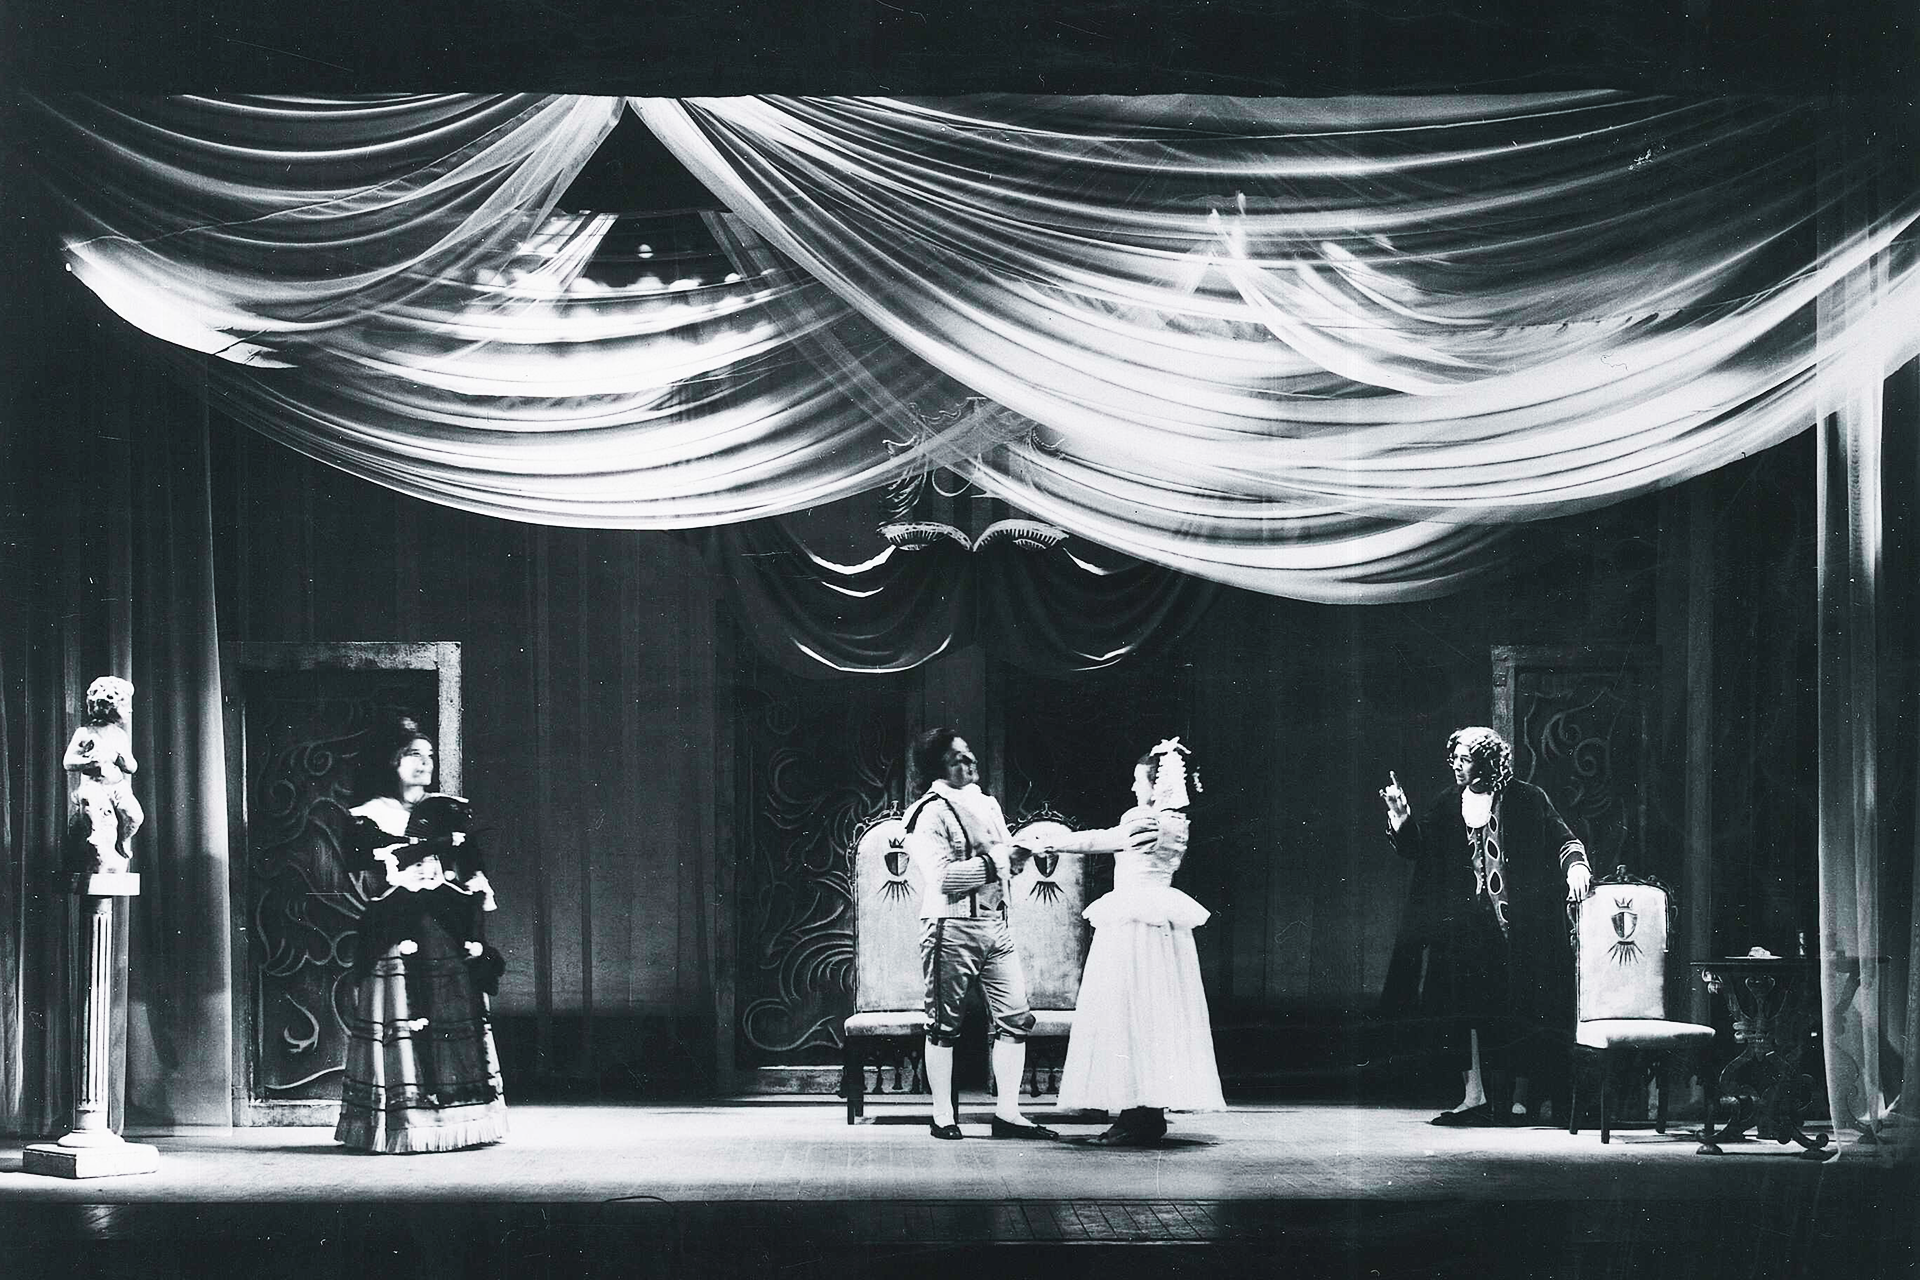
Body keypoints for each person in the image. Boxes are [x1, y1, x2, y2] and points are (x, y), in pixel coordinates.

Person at [1378, 726, 1592, 1126]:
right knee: (1463, 1009)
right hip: (1464, 930)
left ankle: (1521, 1099)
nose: (1456, 765)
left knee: (1521, 1008)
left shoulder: (1527, 799)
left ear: (1487, 761)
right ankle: (1473, 1096)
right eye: (1455, 758)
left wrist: (1576, 866)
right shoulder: (1447, 804)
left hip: (1518, 927)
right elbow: (1418, 851)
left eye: (1464, 758)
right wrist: (1401, 816)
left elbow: (1564, 839)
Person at [334, 716, 508, 1154]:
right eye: (413, 755)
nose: (424, 764)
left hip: (445, 936)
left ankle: (463, 1122)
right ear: (390, 761)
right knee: (401, 1021)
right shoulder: (368, 816)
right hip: (397, 936)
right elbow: (366, 876)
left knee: (453, 1018)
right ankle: (402, 1126)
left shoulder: (448, 811)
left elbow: (470, 876)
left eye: (429, 757)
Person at [1043, 738, 1224, 1145]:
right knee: (1154, 1014)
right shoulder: (1178, 824)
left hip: (1135, 925)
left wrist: (1052, 841)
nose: (1132, 788)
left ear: (1155, 784)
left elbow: (1101, 840)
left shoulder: (1146, 819)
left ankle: (1134, 1114)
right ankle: (1146, 1113)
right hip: (1159, 924)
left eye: (1137, 780)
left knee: (1128, 1013)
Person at [905, 726, 1055, 1140]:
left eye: (969, 754)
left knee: (1015, 1019)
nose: (969, 763)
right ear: (938, 767)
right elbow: (945, 880)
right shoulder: (926, 813)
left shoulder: (986, 804)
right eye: (957, 759)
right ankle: (942, 1116)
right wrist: (1002, 860)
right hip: (949, 927)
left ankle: (1007, 1113)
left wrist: (1021, 853)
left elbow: (1009, 863)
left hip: (995, 924)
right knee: (943, 1025)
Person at [62, 676, 143, 874]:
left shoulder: (120, 736)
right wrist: (90, 762)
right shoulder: (84, 733)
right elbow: (68, 762)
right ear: (108, 705)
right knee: (97, 825)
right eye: (125, 705)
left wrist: (119, 757)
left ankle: (122, 842)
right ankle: (97, 849)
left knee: (134, 816)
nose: (130, 710)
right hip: (94, 787)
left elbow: (132, 766)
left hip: (117, 787)